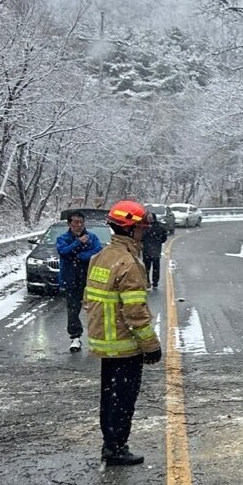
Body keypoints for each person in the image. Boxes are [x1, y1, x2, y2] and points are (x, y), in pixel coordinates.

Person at [84, 199, 163, 467]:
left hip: (105, 342)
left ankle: (110, 443)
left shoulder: (101, 256)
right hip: (124, 344)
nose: (144, 232)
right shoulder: (128, 263)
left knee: (109, 397)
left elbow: (88, 299)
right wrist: (150, 345)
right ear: (130, 230)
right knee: (123, 400)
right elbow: (135, 312)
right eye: (141, 228)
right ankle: (117, 448)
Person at [56, 212, 103, 352]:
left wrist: (82, 255)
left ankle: (97, 335)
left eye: (81, 222)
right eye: (75, 222)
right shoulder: (63, 238)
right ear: (69, 224)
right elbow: (63, 252)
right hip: (71, 279)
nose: (79, 225)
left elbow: (98, 251)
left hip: (90, 278)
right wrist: (78, 242)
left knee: (95, 308)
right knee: (73, 309)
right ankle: (75, 337)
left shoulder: (92, 237)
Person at [141, 210, 168, 289]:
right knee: (155, 267)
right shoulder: (159, 227)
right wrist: (158, 241)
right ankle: (155, 282)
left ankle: (147, 282)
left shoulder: (145, 227)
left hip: (147, 250)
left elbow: (141, 238)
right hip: (156, 249)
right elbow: (163, 238)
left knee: (146, 267)